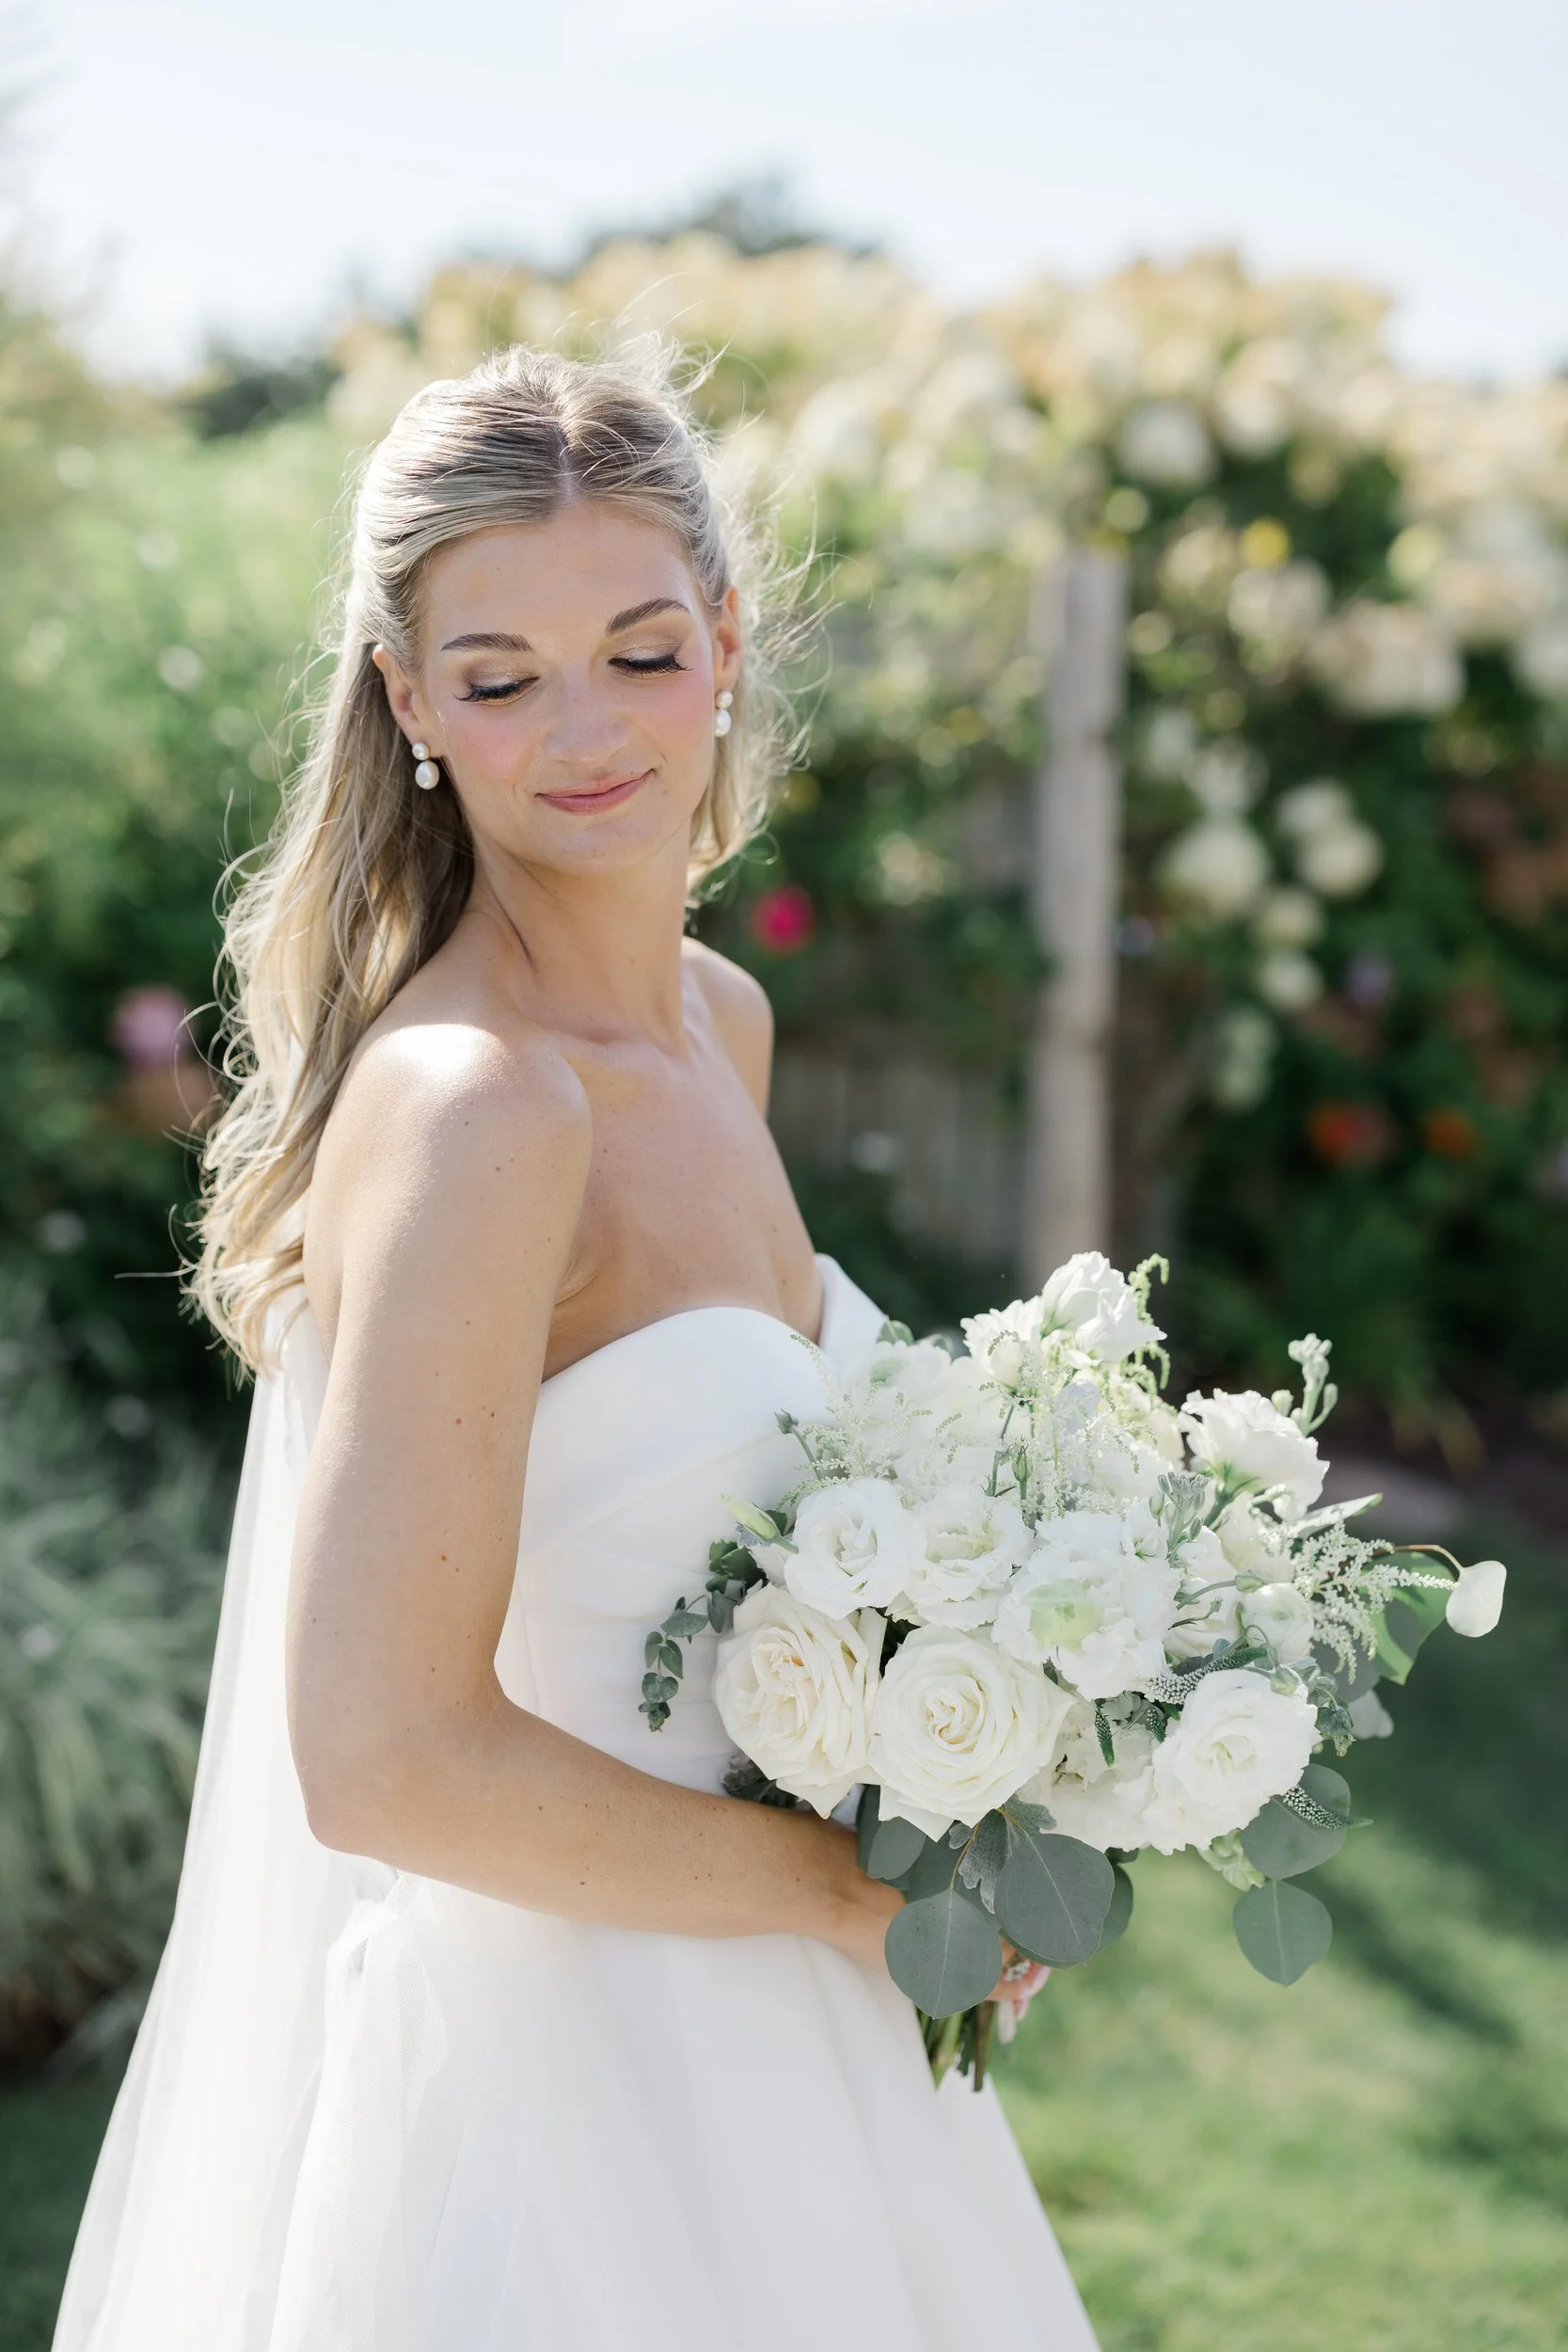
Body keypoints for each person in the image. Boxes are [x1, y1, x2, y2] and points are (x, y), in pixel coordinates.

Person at [55, 347, 1100, 2352]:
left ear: (721, 634)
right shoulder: (478, 1111)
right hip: (558, 2099)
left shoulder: (719, 1021)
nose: (585, 730)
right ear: (408, 699)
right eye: (499, 671)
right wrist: (826, 1891)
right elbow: (377, 1754)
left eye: (634, 647)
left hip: (794, 2043)